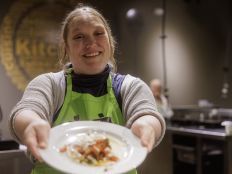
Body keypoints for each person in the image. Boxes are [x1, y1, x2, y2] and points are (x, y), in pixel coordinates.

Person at [9, 4, 166, 174]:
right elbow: (28, 109)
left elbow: (147, 113)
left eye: (98, 33)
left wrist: (147, 124)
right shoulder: (49, 84)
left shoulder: (130, 86)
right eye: (78, 36)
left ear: (110, 42)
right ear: (66, 48)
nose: (91, 42)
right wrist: (31, 123)